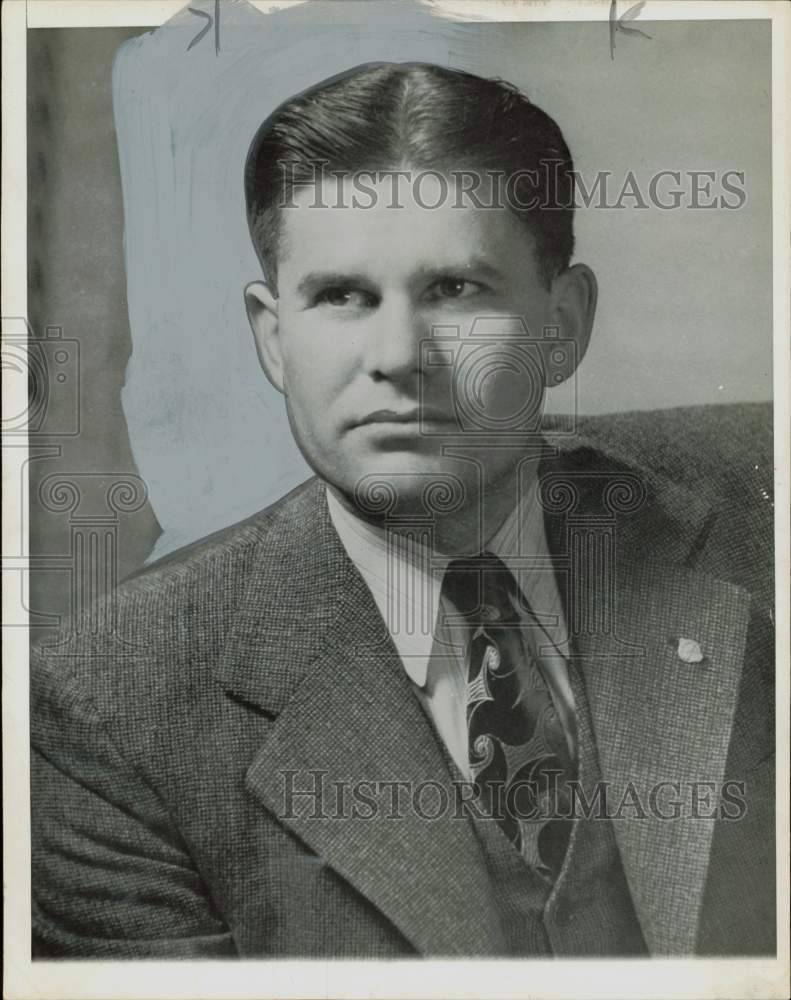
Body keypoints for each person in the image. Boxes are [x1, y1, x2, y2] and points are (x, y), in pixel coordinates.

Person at [31, 62, 775, 959]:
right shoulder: (111, 704)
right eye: (341, 296)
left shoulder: (760, 514)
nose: (398, 354)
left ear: (564, 324)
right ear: (273, 339)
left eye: (455, 291)